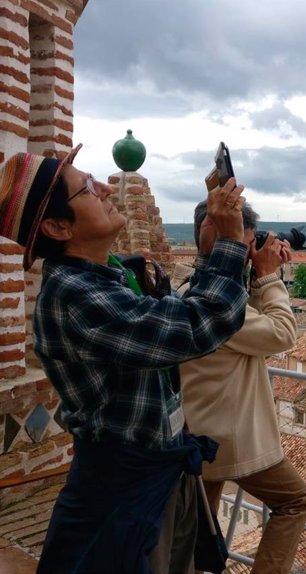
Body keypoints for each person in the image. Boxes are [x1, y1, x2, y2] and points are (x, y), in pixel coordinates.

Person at [0, 145, 250, 574]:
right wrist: (231, 241)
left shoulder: (109, 277)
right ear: (60, 226)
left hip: (156, 474)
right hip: (122, 492)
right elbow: (196, 327)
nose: (102, 187)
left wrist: (208, 252)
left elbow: (170, 326)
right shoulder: (76, 297)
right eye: (85, 190)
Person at [175, 200, 306, 574]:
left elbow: (244, 322)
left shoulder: (189, 287)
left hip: (198, 432)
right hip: (227, 438)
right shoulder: (211, 303)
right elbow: (281, 333)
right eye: (243, 244)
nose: (246, 254)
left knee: (195, 532)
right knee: (296, 500)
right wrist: (269, 277)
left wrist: (255, 278)